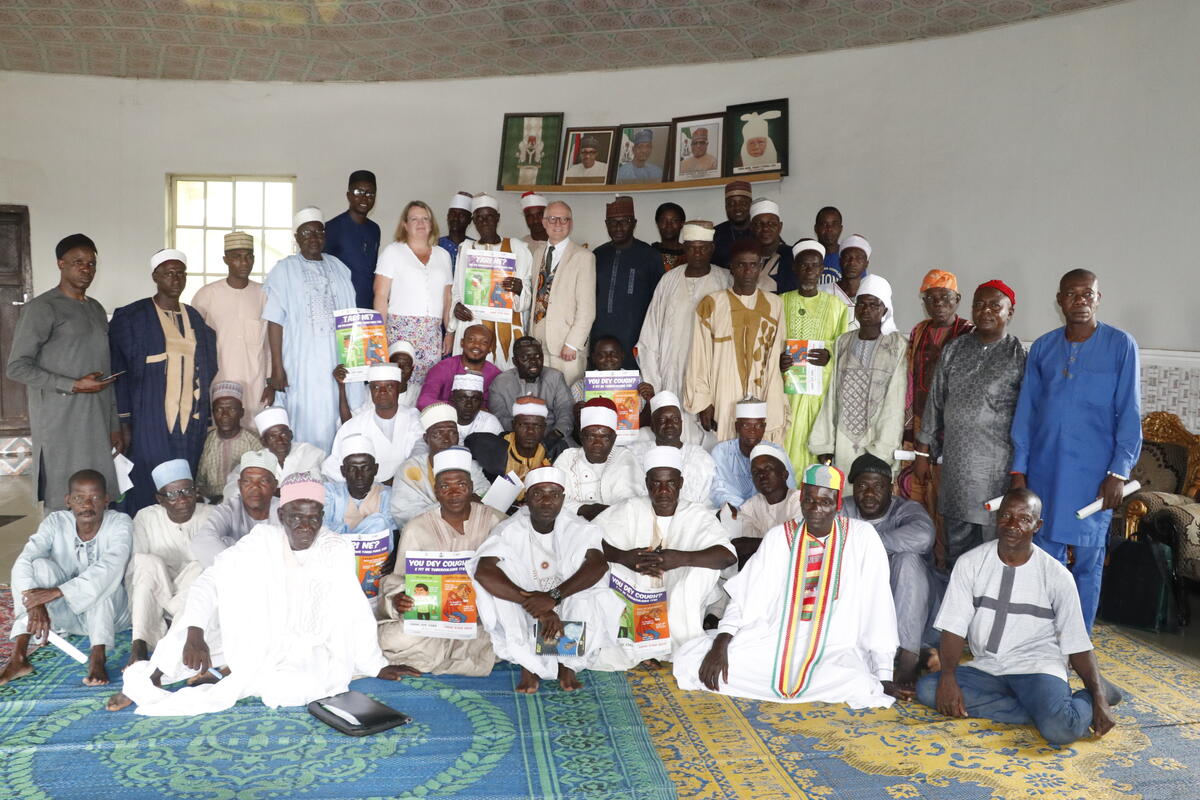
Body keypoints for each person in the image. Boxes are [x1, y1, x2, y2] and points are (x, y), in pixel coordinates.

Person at [111, 474, 418, 715]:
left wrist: (375, 664)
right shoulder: (261, 541)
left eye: (314, 517)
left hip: (306, 645)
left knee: (293, 690)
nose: (305, 525)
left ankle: (224, 671)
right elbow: (210, 581)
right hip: (254, 630)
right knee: (186, 636)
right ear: (282, 514)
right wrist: (195, 633)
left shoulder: (336, 548)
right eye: (296, 516)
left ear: (323, 516)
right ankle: (148, 679)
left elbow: (354, 608)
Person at [672, 464, 902, 706]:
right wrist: (721, 642)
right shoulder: (779, 537)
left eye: (825, 502)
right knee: (689, 659)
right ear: (801, 499)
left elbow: (878, 605)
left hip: (833, 649)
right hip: (772, 641)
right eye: (810, 500)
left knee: (859, 683)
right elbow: (746, 597)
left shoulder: (862, 537)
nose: (816, 509)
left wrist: (884, 674)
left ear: (838, 505)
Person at [916, 488, 1120, 746]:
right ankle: (1038, 710)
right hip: (989, 666)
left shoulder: (1057, 576)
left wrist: (1099, 700)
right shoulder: (970, 563)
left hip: (1037, 666)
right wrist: (947, 678)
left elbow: (1077, 643)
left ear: (1038, 525)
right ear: (996, 518)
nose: (1013, 525)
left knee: (1061, 731)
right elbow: (953, 628)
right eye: (1006, 516)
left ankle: (1091, 696)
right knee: (928, 689)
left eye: (1024, 519)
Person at [1010, 270, 1141, 630]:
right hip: (1045, 474)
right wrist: (1019, 470)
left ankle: (1075, 642)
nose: (1080, 301)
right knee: (1044, 561)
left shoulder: (1121, 345)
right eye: (1072, 294)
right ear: (1059, 300)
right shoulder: (1043, 347)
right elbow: (1027, 412)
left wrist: (1118, 472)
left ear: (1099, 299)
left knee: (1087, 563)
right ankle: (1040, 637)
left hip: (1093, 478)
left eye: (1087, 294)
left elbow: (1129, 415)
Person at [469, 467, 624, 693]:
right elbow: (484, 571)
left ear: (563, 499)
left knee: (589, 596)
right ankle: (528, 666)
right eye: (538, 494)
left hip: (564, 593)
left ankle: (566, 664)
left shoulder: (578, 526)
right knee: (502, 594)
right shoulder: (510, 529)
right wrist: (537, 607)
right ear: (527, 499)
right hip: (526, 597)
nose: (546, 501)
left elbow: (597, 564)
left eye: (553, 494)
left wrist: (553, 598)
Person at [916, 280, 1026, 569]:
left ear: (1010, 312)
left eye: (994, 305)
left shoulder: (1018, 356)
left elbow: (1028, 418)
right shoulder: (954, 349)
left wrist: (1020, 471)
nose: (985, 311)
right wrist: (923, 452)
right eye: (979, 304)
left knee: (993, 547)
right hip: (956, 467)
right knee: (956, 548)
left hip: (996, 470)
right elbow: (935, 403)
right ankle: (957, 606)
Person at [6, 234, 120, 510]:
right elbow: (17, 367)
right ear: (61, 264)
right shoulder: (42, 308)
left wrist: (114, 425)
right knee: (64, 496)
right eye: (78, 262)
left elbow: (106, 369)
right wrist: (72, 384)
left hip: (96, 419)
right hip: (61, 422)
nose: (86, 269)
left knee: (97, 493)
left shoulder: (94, 308)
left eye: (91, 263)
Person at [595, 446, 735, 669]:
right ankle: (641, 648)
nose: (663, 490)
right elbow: (589, 539)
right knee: (610, 570)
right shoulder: (631, 508)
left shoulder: (696, 514)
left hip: (678, 584)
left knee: (698, 573)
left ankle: (679, 647)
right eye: (656, 483)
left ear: (680, 483)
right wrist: (623, 557)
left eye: (670, 483)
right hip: (637, 583)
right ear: (646, 483)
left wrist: (680, 559)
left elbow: (727, 556)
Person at [377, 447, 507, 675]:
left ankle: (438, 657)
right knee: (391, 637)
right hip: (431, 622)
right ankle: (457, 655)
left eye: (461, 485)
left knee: (509, 634)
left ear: (471, 488)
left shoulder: (496, 520)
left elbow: (514, 574)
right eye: (445, 486)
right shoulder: (416, 528)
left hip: (480, 619)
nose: (454, 492)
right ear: (436, 491)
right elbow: (397, 579)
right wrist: (399, 599)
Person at [109, 249, 218, 513]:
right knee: (147, 480)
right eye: (169, 273)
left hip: (189, 421)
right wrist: (123, 421)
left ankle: (179, 535)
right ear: (155, 277)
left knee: (183, 480)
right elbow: (118, 372)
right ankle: (145, 533)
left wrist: (206, 416)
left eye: (180, 273)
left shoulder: (194, 317)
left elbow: (208, 365)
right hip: (148, 419)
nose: (176, 279)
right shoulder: (133, 317)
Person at [1, 469, 131, 688]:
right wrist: (33, 602)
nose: (87, 505)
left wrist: (54, 593)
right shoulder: (55, 521)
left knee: (105, 584)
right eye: (79, 498)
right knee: (38, 566)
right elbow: (25, 560)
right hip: (65, 617)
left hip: (112, 616)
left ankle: (98, 656)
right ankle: (19, 657)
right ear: (68, 501)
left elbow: (109, 568)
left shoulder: (120, 522)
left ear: (107, 500)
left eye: (95, 497)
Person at [262, 206, 363, 451]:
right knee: (305, 419)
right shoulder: (284, 270)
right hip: (302, 363)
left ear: (325, 235)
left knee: (339, 416)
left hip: (338, 360)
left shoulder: (339, 268)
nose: (313, 239)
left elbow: (352, 318)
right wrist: (277, 368)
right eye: (306, 234)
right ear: (296, 238)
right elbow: (274, 321)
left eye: (318, 232)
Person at [843, 452, 935, 690]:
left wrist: (869, 545)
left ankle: (908, 657)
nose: (870, 494)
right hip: (862, 612)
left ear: (891, 487)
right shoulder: (843, 509)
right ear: (853, 488)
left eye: (878, 486)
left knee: (907, 561)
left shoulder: (906, 509)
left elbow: (924, 536)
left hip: (911, 611)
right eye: (863, 486)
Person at [685, 238, 786, 444]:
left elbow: (777, 353)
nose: (747, 271)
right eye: (741, 265)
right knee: (725, 448)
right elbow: (699, 355)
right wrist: (704, 401)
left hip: (762, 388)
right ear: (731, 268)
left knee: (761, 452)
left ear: (760, 267)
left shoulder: (775, 304)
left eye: (753, 265)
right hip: (724, 391)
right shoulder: (712, 303)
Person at [810, 274, 906, 474]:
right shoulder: (843, 342)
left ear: (885, 310)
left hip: (877, 441)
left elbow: (895, 402)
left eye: (874, 304)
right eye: (861, 304)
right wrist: (825, 444)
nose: (866, 310)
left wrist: (882, 449)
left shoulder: (897, 345)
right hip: (842, 443)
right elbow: (831, 397)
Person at [637, 220, 733, 407]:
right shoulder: (669, 280)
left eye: (703, 248)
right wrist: (652, 380)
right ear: (684, 248)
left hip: (710, 374)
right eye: (692, 248)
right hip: (670, 368)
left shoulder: (726, 279)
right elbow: (650, 332)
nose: (697, 254)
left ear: (712, 248)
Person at [126, 459, 213, 665]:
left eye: (187, 491)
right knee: (145, 562)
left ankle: (172, 633)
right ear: (160, 499)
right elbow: (136, 570)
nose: (182, 499)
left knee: (201, 567)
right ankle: (139, 645)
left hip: (192, 597)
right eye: (172, 494)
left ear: (196, 491)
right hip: (157, 592)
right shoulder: (145, 518)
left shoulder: (212, 514)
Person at [903, 269, 974, 518]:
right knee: (915, 493)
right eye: (931, 298)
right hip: (920, 421)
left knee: (947, 496)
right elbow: (909, 377)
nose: (938, 303)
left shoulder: (969, 333)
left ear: (958, 299)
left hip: (952, 426)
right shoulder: (919, 331)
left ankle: (944, 555)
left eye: (945, 297)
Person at [779, 240, 850, 472]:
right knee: (786, 448)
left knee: (817, 450)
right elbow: (770, 345)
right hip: (787, 394)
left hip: (821, 394)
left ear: (822, 270)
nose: (809, 271)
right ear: (795, 268)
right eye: (804, 265)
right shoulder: (780, 302)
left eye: (815, 266)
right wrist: (778, 361)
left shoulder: (837, 306)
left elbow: (845, 347)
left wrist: (829, 355)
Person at [191, 231, 270, 423]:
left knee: (254, 435)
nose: (244, 263)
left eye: (249, 257)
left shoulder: (264, 294)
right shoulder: (206, 295)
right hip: (218, 380)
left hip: (256, 382)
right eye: (237, 257)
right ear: (226, 259)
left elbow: (269, 342)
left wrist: (271, 381)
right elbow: (193, 342)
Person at [449, 193, 533, 371]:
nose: (484, 222)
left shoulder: (517, 247)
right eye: (479, 217)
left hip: (506, 326)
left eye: (489, 217)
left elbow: (526, 292)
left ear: (498, 218)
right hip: (473, 322)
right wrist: (456, 306)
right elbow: (457, 289)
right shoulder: (466, 248)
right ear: (473, 220)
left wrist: (520, 289)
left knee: (504, 377)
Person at [373, 200, 453, 384]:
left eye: (425, 218)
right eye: (414, 219)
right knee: (398, 385)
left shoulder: (443, 255)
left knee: (427, 386)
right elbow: (381, 296)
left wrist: (449, 332)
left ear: (431, 224)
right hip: (399, 331)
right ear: (405, 225)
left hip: (432, 335)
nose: (420, 223)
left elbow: (447, 298)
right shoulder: (393, 252)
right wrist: (379, 335)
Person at [528, 201, 596, 385]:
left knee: (567, 403)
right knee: (542, 399)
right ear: (544, 223)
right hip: (538, 344)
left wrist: (573, 343)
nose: (558, 224)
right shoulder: (537, 253)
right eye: (552, 219)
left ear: (571, 223)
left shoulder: (584, 257)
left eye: (564, 219)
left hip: (567, 348)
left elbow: (587, 308)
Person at [590, 196, 663, 367]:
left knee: (633, 390)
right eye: (613, 222)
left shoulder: (650, 255)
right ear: (606, 224)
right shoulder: (597, 255)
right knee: (599, 390)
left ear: (634, 223)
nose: (618, 227)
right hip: (600, 338)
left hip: (636, 337)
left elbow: (659, 302)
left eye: (625, 221)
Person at [389, 406, 490, 528]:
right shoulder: (409, 469)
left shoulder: (468, 464)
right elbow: (404, 515)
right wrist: (455, 505)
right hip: (426, 536)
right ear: (426, 439)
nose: (447, 440)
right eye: (438, 434)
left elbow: (487, 498)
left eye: (453, 433)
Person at [322, 364, 424, 484]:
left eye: (389, 386)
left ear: (398, 388)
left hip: (406, 487)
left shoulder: (412, 417)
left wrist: (396, 482)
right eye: (376, 387)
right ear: (370, 390)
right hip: (364, 492)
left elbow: (419, 456)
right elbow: (333, 467)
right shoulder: (355, 425)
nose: (382, 392)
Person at [322, 436, 395, 597]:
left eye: (365, 467)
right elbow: (322, 531)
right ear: (343, 471)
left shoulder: (386, 495)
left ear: (375, 469)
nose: (359, 475)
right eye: (352, 468)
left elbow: (393, 534)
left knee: (379, 523)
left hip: (373, 574)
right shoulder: (330, 492)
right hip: (335, 570)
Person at [553, 400, 640, 520]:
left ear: (614, 439)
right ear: (581, 436)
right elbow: (553, 499)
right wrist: (586, 509)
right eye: (591, 436)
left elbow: (632, 504)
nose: (597, 443)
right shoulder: (567, 458)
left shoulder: (625, 458)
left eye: (605, 437)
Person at [192, 450, 279, 568]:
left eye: (263, 481)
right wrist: (242, 569)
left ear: (275, 485)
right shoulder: (229, 509)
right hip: (235, 576)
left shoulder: (284, 510)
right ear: (239, 484)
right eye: (247, 481)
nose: (255, 487)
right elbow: (202, 540)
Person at [630, 391, 716, 506]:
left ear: (681, 423)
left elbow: (707, 501)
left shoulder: (700, 457)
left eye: (675, 419)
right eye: (662, 420)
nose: (669, 424)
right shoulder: (635, 454)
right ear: (652, 426)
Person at [710, 400, 796, 512]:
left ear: (764, 427)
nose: (752, 431)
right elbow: (717, 490)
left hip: (769, 512)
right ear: (737, 427)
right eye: (746, 425)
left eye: (758, 426)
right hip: (732, 512)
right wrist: (743, 509)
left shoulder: (775, 452)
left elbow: (789, 487)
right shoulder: (722, 451)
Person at [487, 336, 574, 442]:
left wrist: (556, 434)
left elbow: (566, 410)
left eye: (538, 356)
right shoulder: (500, 383)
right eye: (525, 358)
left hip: (552, 439)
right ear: (515, 361)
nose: (533, 361)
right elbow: (500, 418)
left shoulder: (555, 377)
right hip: (514, 440)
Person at [227, 406, 325, 496]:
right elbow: (232, 489)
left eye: (283, 434)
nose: (280, 441)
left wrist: (273, 492)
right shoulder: (256, 460)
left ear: (290, 435)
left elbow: (318, 486)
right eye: (273, 436)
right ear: (264, 442)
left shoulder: (310, 453)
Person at [467, 397, 554, 495]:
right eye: (523, 425)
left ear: (545, 428)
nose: (530, 431)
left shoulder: (553, 450)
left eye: (537, 426)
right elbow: (470, 442)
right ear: (513, 425)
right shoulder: (495, 446)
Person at [324, 169, 381, 310]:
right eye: (358, 192)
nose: (364, 198)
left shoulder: (375, 229)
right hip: (341, 309)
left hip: (368, 309)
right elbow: (322, 271)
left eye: (370, 193)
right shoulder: (333, 228)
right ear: (349, 195)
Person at [735, 445, 803, 560]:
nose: (761, 475)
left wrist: (756, 544)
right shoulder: (751, 506)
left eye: (768, 469)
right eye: (755, 472)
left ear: (784, 475)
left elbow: (794, 544)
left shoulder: (800, 500)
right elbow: (739, 545)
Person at [196, 381, 260, 503]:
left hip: (244, 504)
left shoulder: (254, 442)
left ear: (241, 413)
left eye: (232, 409)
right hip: (210, 504)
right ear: (213, 413)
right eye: (219, 410)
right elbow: (200, 482)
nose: (225, 415)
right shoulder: (206, 440)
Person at [419, 324, 502, 409]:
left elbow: (497, 409)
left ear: (490, 348)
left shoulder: (496, 376)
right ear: (462, 342)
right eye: (471, 339)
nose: (477, 345)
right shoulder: (442, 368)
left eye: (484, 342)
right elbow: (424, 401)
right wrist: (461, 408)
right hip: (444, 418)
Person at [338, 339, 420, 421]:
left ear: (412, 369)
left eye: (406, 365)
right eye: (397, 364)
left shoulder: (418, 392)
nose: (401, 369)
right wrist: (341, 386)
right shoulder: (371, 390)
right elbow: (349, 423)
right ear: (388, 365)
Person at [819, 234, 871, 327]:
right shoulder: (823, 292)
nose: (852, 262)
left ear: (866, 264)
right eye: (847, 257)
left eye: (858, 258)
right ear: (840, 261)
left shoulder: (874, 296)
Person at [748, 199, 794, 294]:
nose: (765, 228)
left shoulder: (792, 257)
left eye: (772, 224)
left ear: (780, 227)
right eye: (759, 224)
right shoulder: (743, 258)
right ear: (751, 227)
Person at [711, 181, 753, 268]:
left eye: (743, 203)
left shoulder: (761, 231)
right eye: (731, 204)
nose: (737, 208)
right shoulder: (714, 234)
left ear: (750, 205)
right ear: (726, 207)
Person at [449, 371, 503, 440]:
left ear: (481, 401)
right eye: (462, 399)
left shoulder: (489, 422)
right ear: (453, 399)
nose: (469, 405)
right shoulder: (441, 420)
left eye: (475, 399)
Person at [438, 191, 475, 265]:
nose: (456, 218)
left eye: (461, 215)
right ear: (447, 216)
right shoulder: (435, 245)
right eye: (452, 214)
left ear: (469, 220)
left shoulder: (475, 248)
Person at [650, 202, 686, 271]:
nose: (669, 225)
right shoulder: (650, 254)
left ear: (682, 223)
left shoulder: (690, 254)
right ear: (657, 223)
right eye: (663, 221)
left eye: (674, 221)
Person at [813, 206, 843, 284]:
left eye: (834, 224)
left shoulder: (850, 258)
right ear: (816, 228)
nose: (829, 228)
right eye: (824, 224)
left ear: (841, 228)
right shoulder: (807, 257)